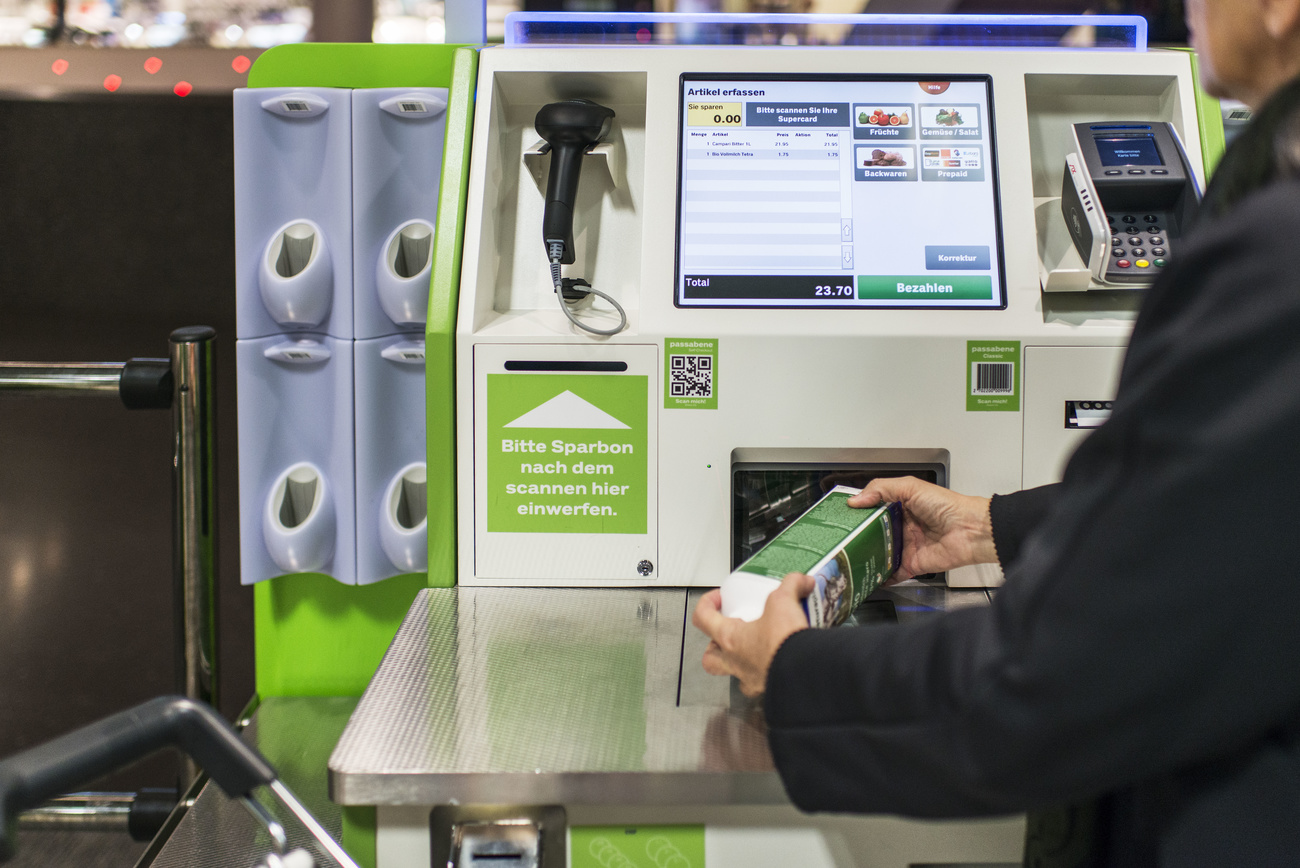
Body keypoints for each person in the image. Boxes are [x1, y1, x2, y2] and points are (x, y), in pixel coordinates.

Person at [693, 0, 1300, 863]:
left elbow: (1061, 679)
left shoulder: (1276, 262)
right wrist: (989, 526)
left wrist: (797, 675)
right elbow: (1243, 513)